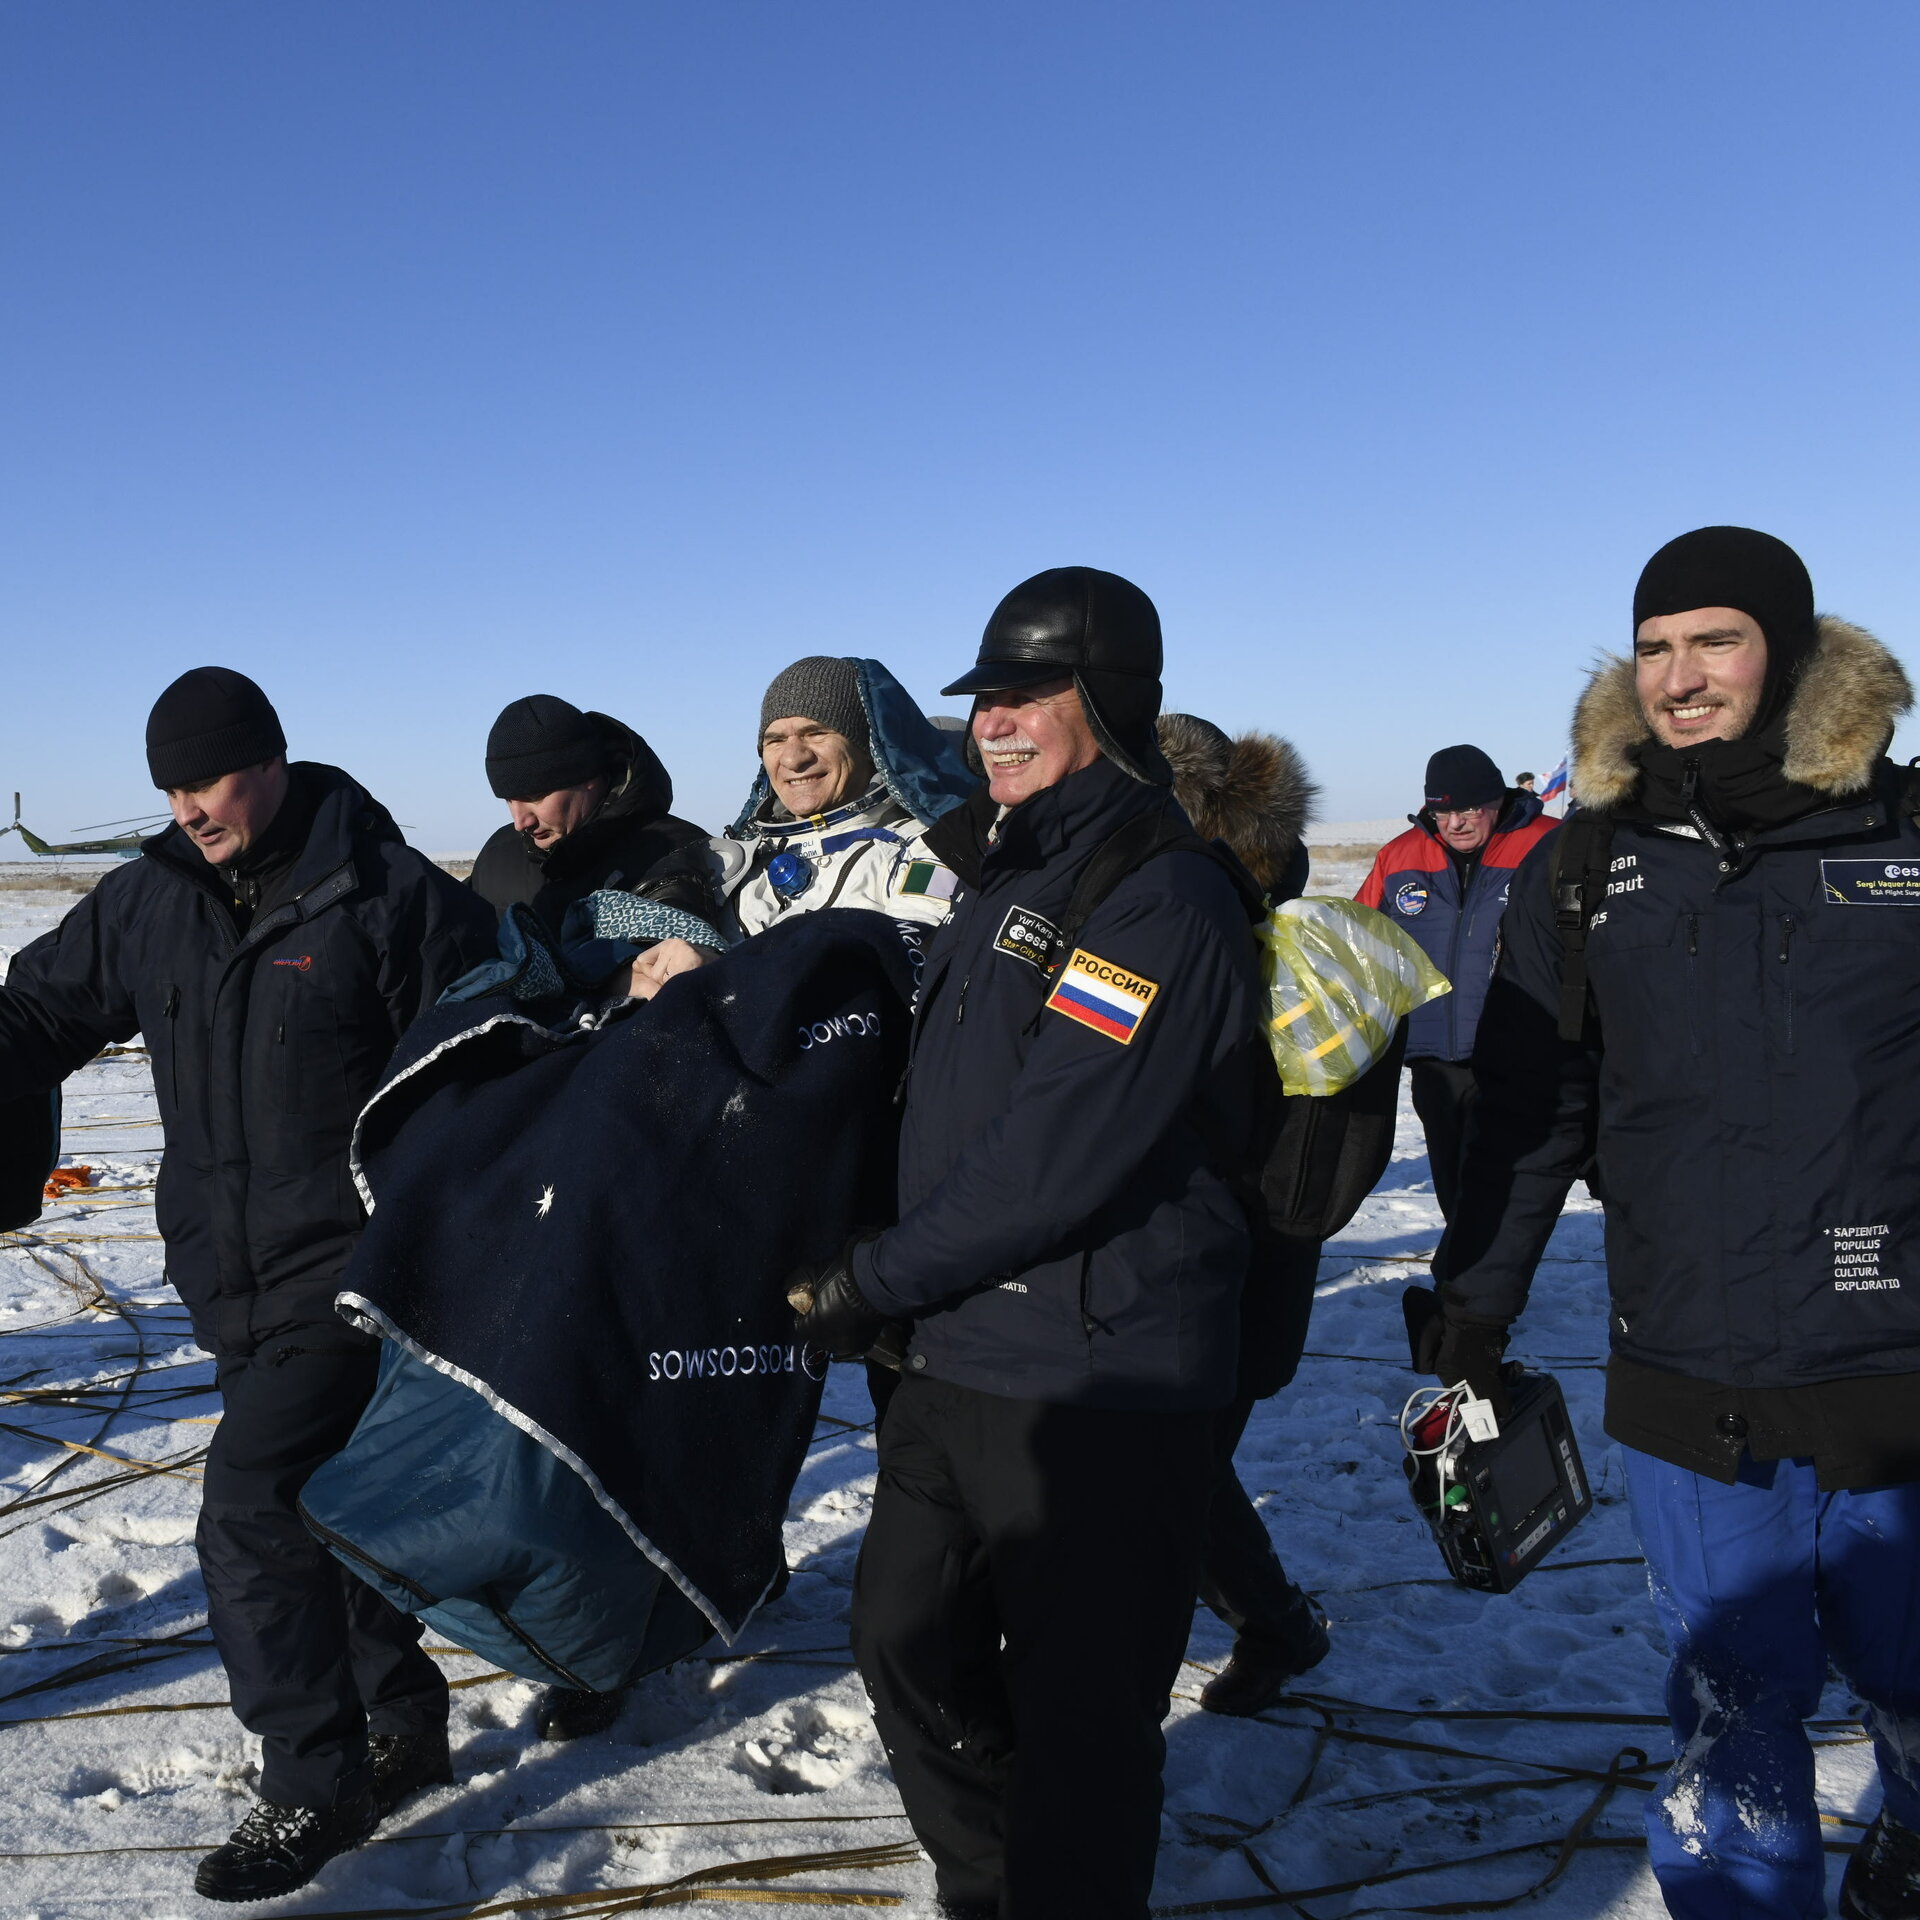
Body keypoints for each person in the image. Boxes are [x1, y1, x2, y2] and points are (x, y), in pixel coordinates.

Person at [1424, 526, 1920, 1920]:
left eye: (1717, 640)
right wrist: (1475, 1302)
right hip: (1689, 1366)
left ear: (1792, 651)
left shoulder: (1908, 837)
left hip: (1899, 1363)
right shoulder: (1585, 872)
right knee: (1731, 1710)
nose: (1680, 676)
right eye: (1653, 646)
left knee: (1915, 1676)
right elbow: (1532, 1112)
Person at [786, 567, 1269, 1919]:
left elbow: (1058, 1154)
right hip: (957, 1349)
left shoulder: (1160, 901)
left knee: (1084, 1720)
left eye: (1025, 697)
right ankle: (996, 1883)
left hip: (1100, 1369)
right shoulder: (1014, 870)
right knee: (903, 1638)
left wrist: (868, 1277)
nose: (994, 723)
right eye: (985, 699)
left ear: (1107, 701)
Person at [0, 669, 497, 1903]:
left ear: (270, 760)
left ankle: (311, 1786)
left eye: (206, 781)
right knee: (338, 1509)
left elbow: (489, 1072)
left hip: (356, 1277)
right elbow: (35, 1014)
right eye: (167, 786)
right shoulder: (147, 902)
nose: (187, 808)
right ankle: (402, 1722)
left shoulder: (391, 897)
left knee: (252, 1512)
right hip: (226, 1277)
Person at [1155, 714, 1333, 1716]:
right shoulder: (1206, 904)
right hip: (1194, 1241)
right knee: (1173, 1470)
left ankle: (1276, 1626)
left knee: (1177, 1472)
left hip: (1241, 1240)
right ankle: (1272, 1623)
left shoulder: (1250, 932)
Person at [628, 655, 969, 1002]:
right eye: (775, 740)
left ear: (870, 746)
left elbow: (904, 967)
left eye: (816, 733)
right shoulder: (732, 862)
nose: (793, 758)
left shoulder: (931, 848)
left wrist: (721, 978)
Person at [1355, 748, 1555, 1218]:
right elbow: (1360, 943)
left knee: (1509, 1191)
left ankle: (1486, 1288)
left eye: (1468, 809)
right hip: (1433, 1057)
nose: (1456, 823)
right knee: (1453, 1185)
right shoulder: (1398, 856)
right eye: (1442, 811)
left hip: (1521, 1054)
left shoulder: (1549, 844)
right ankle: (1457, 1286)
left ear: (1497, 801)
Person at [468, 695, 709, 926]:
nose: (521, 822)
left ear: (588, 778)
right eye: (509, 800)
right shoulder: (496, 855)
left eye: (535, 797)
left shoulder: (681, 852)